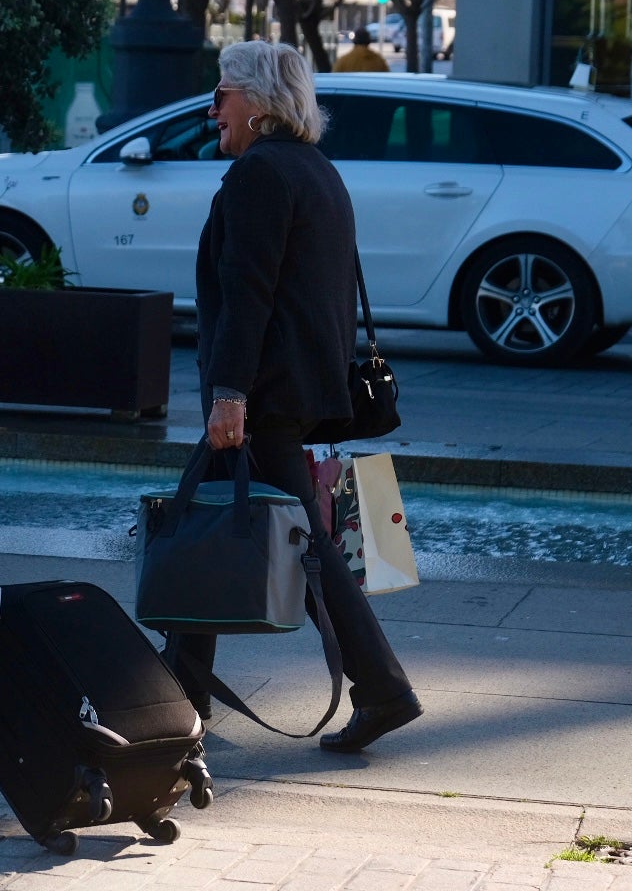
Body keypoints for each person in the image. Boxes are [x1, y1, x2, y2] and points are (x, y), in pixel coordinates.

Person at [170, 40, 421, 753]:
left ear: (258, 103)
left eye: (223, 94)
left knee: (304, 546)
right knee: (207, 525)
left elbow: (250, 293)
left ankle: (383, 687)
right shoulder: (314, 170)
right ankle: (182, 687)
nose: (213, 108)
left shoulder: (259, 175)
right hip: (296, 387)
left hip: (262, 396)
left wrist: (229, 395)